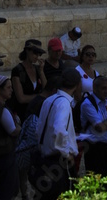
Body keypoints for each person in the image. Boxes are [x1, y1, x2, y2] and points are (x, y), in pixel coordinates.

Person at [32, 68, 82, 200]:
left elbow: (39, 129)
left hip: (43, 159)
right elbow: (59, 129)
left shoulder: (50, 100)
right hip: (57, 162)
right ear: (77, 85)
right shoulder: (64, 103)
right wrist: (66, 153)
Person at [79, 74, 107, 175]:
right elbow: (100, 128)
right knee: (96, 182)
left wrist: (106, 124)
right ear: (95, 88)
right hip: (94, 149)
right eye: (103, 88)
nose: (106, 91)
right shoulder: (88, 104)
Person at [0, 73, 20, 200]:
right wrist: (19, 126)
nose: (11, 90)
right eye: (8, 87)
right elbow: (13, 131)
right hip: (4, 153)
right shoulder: (1, 109)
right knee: (6, 190)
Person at [11, 38, 47, 121]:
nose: (37, 56)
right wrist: (40, 96)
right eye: (35, 53)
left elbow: (46, 89)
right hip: (23, 114)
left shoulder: (38, 69)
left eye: (39, 54)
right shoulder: (17, 70)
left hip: (37, 114)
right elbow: (21, 98)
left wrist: (41, 72)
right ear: (27, 51)